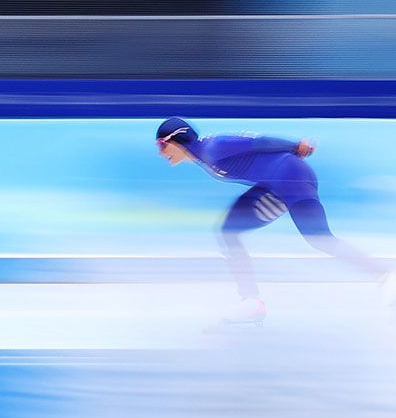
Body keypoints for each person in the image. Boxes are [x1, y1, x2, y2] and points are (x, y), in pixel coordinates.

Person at [155, 117, 388, 325]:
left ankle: (386, 275)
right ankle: (251, 302)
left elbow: (259, 142)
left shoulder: (214, 147)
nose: (161, 153)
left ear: (175, 140)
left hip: (292, 178)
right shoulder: (202, 156)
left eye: (161, 146)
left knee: (319, 237)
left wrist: (294, 146)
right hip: (272, 187)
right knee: (229, 231)